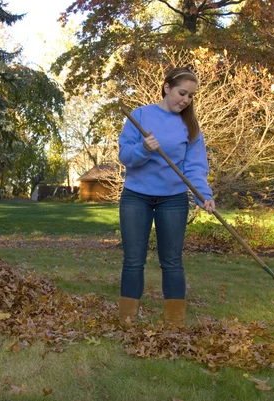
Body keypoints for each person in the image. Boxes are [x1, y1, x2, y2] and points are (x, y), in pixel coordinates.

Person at [117, 66, 215, 327]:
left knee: (172, 261)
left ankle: (175, 323)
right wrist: (143, 148)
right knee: (133, 260)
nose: (186, 100)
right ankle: (127, 320)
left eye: (191, 96)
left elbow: (194, 167)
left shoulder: (190, 126)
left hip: (173, 199)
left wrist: (203, 195)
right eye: (182, 93)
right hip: (136, 197)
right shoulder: (140, 116)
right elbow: (125, 156)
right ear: (167, 87)